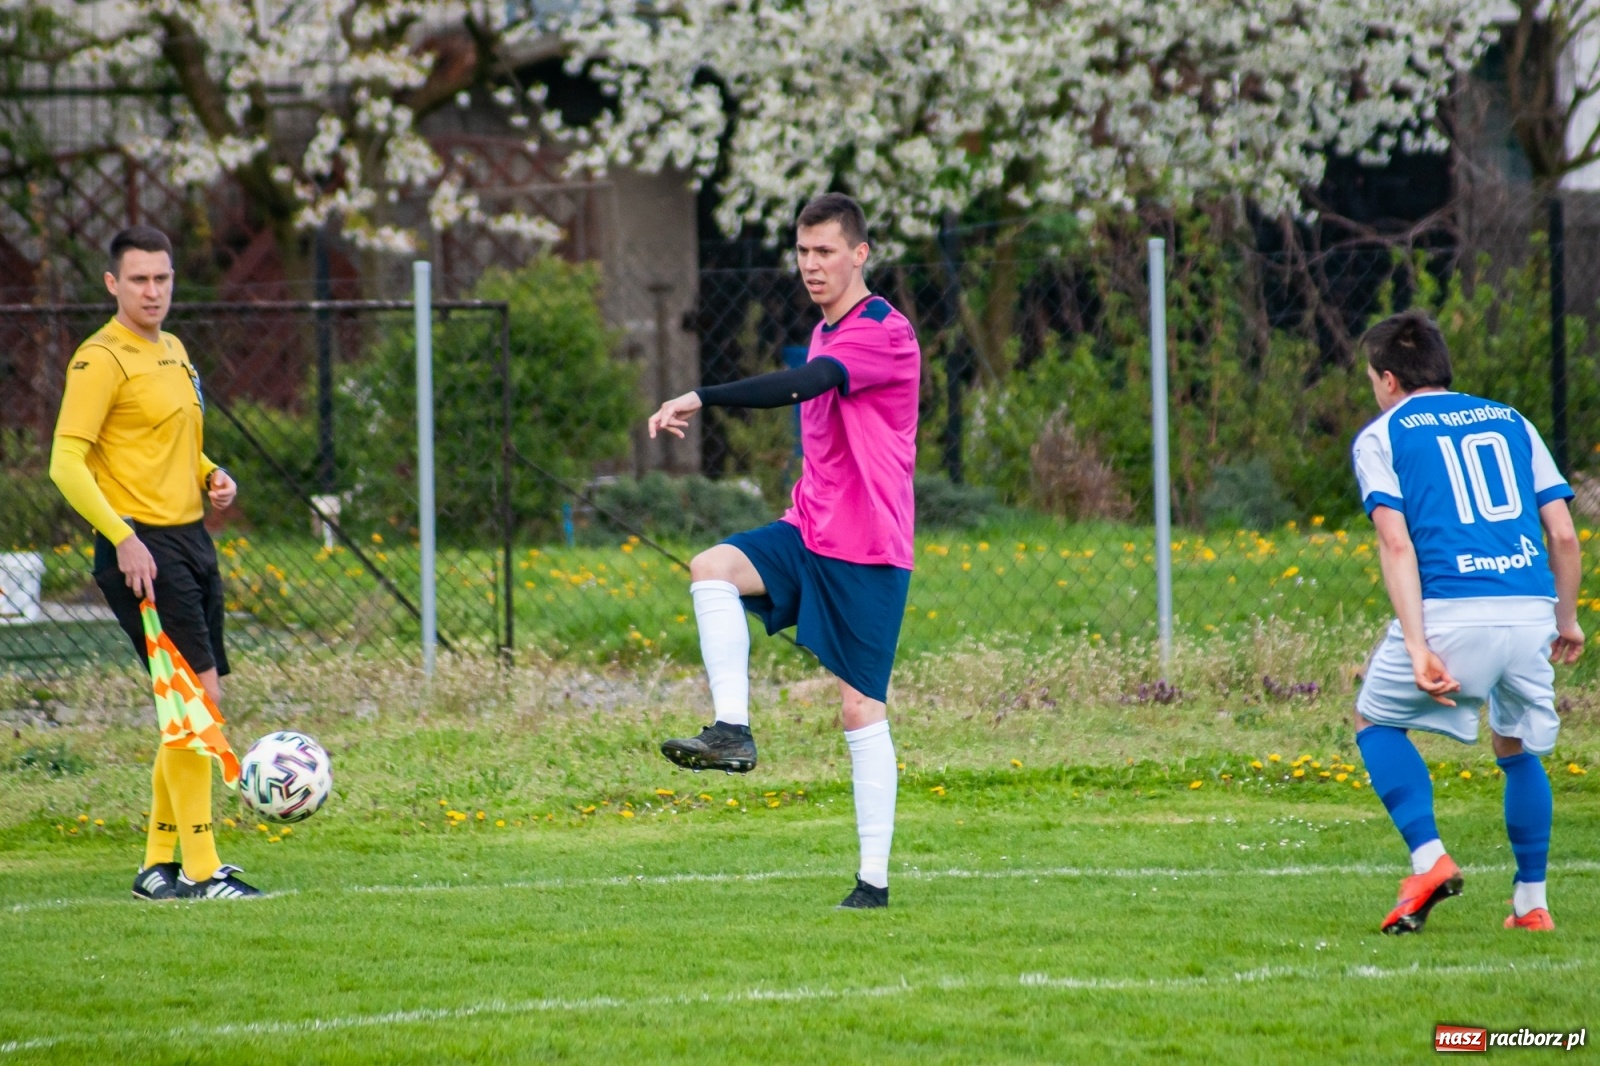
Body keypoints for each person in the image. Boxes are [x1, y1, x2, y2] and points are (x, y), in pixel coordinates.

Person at [647, 193, 919, 909]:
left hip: (868, 550)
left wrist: (700, 395)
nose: (811, 266)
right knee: (711, 569)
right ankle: (732, 731)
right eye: (803, 253)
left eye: (825, 251)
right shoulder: (827, 329)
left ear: (860, 254)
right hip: (810, 530)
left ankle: (874, 883)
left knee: (860, 710)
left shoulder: (883, 332)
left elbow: (802, 384)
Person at [1350, 310, 1582, 934]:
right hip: (1530, 608)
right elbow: (1562, 531)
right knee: (1516, 747)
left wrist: (1420, 645)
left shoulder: (1382, 435)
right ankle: (1531, 904)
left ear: (1390, 380)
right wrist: (1568, 618)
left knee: (1374, 718)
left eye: (1373, 379)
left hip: (1454, 609)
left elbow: (1396, 546)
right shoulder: (1512, 421)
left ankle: (1429, 859)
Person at [49, 225, 260, 901]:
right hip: (141, 550)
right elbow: (65, 462)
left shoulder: (173, 350)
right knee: (198, 703)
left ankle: (156, 867)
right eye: (138, 279)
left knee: (188, 707)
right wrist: (121, 536)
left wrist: (209, 472)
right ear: (113, 284)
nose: (152, 291)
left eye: (162, 278)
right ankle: (201, 870)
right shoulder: (100, 358)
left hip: (189, 539)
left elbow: (162, 444)